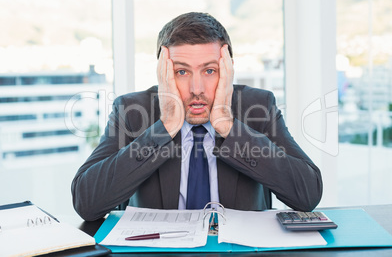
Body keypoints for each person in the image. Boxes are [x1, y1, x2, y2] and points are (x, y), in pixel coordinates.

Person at [71, 12, 323, 221]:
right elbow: (86, 202)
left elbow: (307, 194)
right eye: (182, 72)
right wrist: (164, 127)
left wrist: (228, 125)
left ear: (228, 70)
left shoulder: (257, 106)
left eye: (210, 70)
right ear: (163, 72)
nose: (197, 89)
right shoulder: (132, 110)